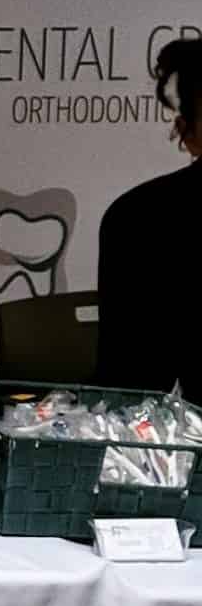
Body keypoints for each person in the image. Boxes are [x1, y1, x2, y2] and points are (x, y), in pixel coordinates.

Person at [97, 36, 202, 401]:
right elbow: (127, 376)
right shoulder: (136, 219)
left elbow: (122, 381)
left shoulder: (132, 214)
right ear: (187, 133)